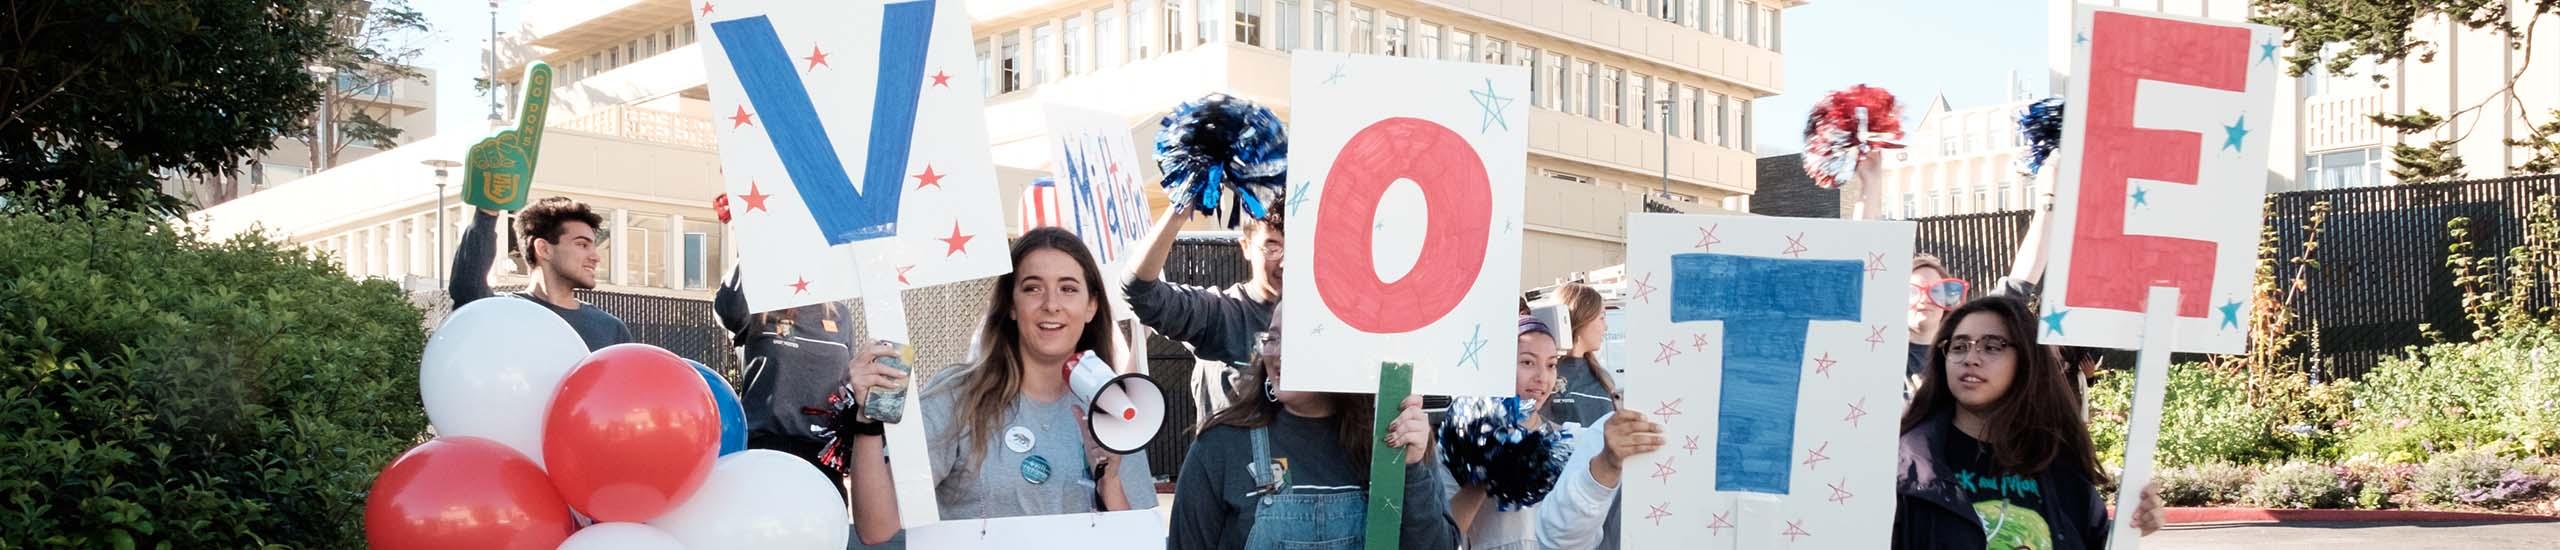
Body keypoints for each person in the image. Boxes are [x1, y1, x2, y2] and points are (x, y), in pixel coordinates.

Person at [841, 227, 1159, 546]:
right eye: (1033, 288)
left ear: (1091, 306)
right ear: (1010, 304)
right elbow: (877, 527)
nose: (1051, 304)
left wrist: (1109, 483)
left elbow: (1140, 540)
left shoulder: (1114, 405)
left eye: (1068, 289)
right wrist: (867, 420)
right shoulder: (958, 396)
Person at [1166, 307, 1457, 550]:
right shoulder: (1220, 448)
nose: (1277, 354)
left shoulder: (1394, 437)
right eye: (1273, 338)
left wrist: (1411, 472)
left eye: (1297, 340)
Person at [1895, 296, 2164, 549]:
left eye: (1991, 347)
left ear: (2026, 360)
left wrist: (2133, 526)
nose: (1971, 358)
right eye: (1959, 347)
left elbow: (2092, 540)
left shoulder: (2058, 460)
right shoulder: (1907, 466)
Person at [1439, 317, 1662, 550]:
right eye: (1527, 362)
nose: (1541, 378)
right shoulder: (1460, 444)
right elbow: (1441, 538)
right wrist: (1484, 475)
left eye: (1551, 365)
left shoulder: (1575, 441)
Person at [708, 194, 856, 498]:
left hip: (822, 460)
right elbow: (728, 310)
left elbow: (849, 386)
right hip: (767, 452)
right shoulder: (761, 301)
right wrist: (751, 240)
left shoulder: (840, 313)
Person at [1124, 205, 1284, 432]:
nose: (1285, 262)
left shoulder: (1322, 322)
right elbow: (1141, 293)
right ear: (1246, 246)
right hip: (1230, 463)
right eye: (1272, 246)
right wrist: (1180, 208)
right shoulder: (1221, 314)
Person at [448, 196, 630, 351]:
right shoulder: (502, 312)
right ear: (544, 249)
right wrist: (487, 213)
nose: (595, 257)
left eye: (594, 246)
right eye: (582, 245)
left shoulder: (611, 330)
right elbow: (468, 288)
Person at [1906, 254, 1962, 394]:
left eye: (1935, 291)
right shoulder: (1878, 353)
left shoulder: (1962, 354)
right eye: (1913, 291)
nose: (1925, 298)